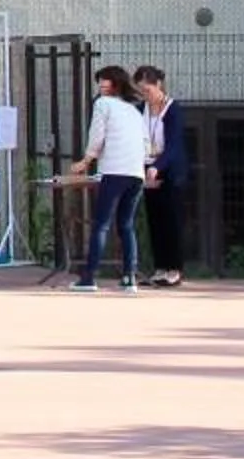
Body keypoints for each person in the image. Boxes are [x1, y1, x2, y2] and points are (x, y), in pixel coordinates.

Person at [71, 65, 148, 292]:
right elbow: (146, 143)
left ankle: (88, 278)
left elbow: (97, 135)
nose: (101, 85)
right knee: (126, 226)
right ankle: (129, 278)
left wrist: (86, 161)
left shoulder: (103, 104)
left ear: (115, 83)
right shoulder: (133, 110)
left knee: (101, 225)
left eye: (104, 81)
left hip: (115, 171)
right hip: (136, 174)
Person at [133, 65, 192, 287]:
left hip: (170, 171)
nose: (145, 96)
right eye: (141, 92)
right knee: (155, 219)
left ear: (158, 85)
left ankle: (174, 268)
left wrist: (158, 165)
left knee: (172, 220)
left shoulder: (172, 109)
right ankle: (160, 267)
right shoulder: (141, 110)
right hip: (148, 168)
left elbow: (174, 145)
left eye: (147, 90)